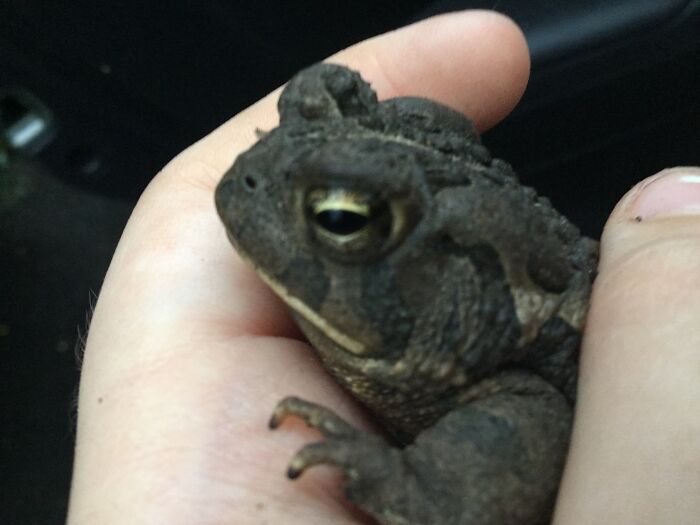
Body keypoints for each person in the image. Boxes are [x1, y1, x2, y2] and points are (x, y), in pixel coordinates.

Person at [66, 10, 700, 524]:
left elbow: (517, 444)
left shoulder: (519, 382)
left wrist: (412, 487)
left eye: (339, 218)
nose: (253, 168)